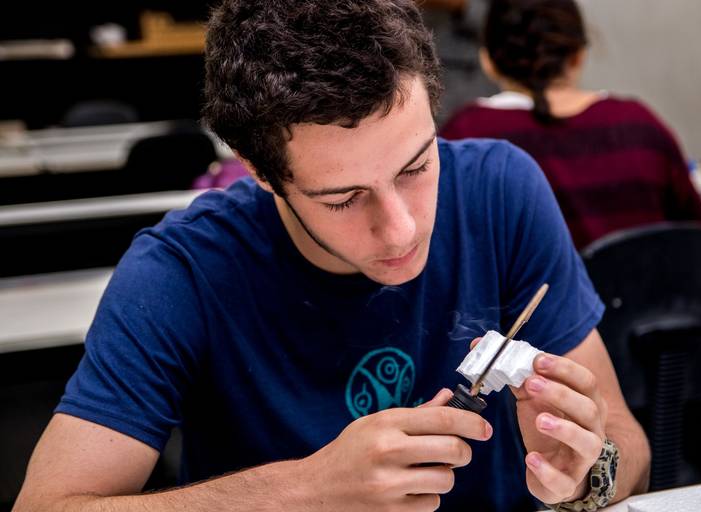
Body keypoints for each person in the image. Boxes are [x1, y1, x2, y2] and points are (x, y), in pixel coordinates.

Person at [13, 1, 650, 511]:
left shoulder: (500, 192)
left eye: (417, 166)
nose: (401, 232)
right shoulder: (180, 273)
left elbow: (628, 444)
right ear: (261, 173)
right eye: (344, 199)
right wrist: (302, 491)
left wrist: (587, 474)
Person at [440, 0, 701, 251]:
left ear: (488, 61)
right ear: (578, 55)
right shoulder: (640, 126)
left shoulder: (466, 137)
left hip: (530, 310)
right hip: (655, 307)